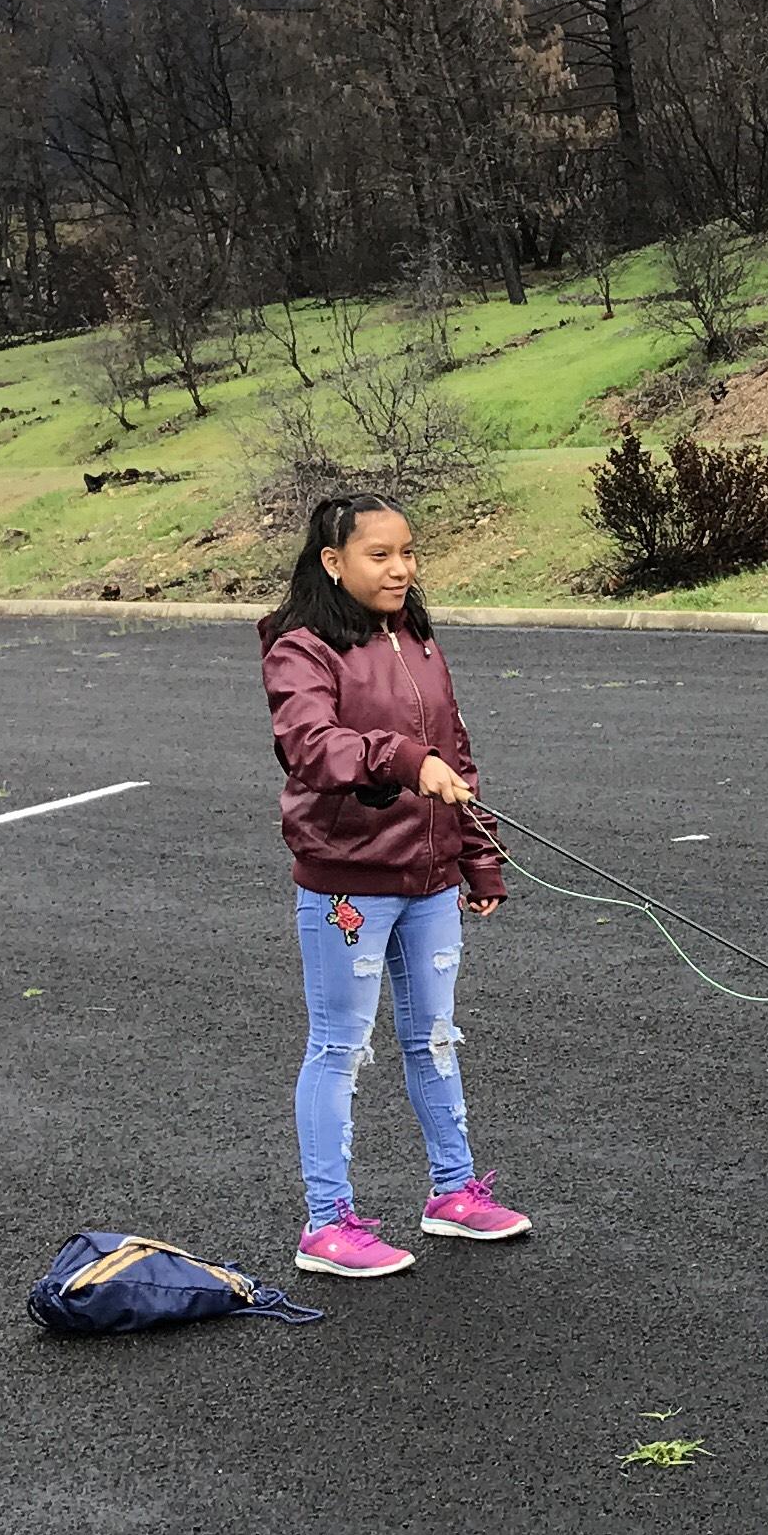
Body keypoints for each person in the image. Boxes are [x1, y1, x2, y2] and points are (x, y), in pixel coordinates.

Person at [258, 493, 530, 1280]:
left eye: (407, 552)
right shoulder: (299, 649)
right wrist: (404, 760)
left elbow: (455, 752)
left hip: (432, 878)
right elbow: (313, 748)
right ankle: (326, 1224)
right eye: (380, 555)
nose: (401, 568)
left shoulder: (416, 635)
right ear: (333, 562)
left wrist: (480, 859)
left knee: (435, 1038)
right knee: (340, 1046)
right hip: (350, 884)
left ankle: (452, 1192)